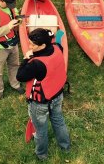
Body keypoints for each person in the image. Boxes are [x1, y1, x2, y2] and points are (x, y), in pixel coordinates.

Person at [16, 28, 70, 160]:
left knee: (40, 130)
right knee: (58, 121)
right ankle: (65, 147)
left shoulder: (36, 64)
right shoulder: (57, 47)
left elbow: (20, 76)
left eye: (33, 45)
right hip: (57, 95)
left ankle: (42, 155)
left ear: (43, 45)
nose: (30, 46)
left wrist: (25, 59)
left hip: (40, 103)